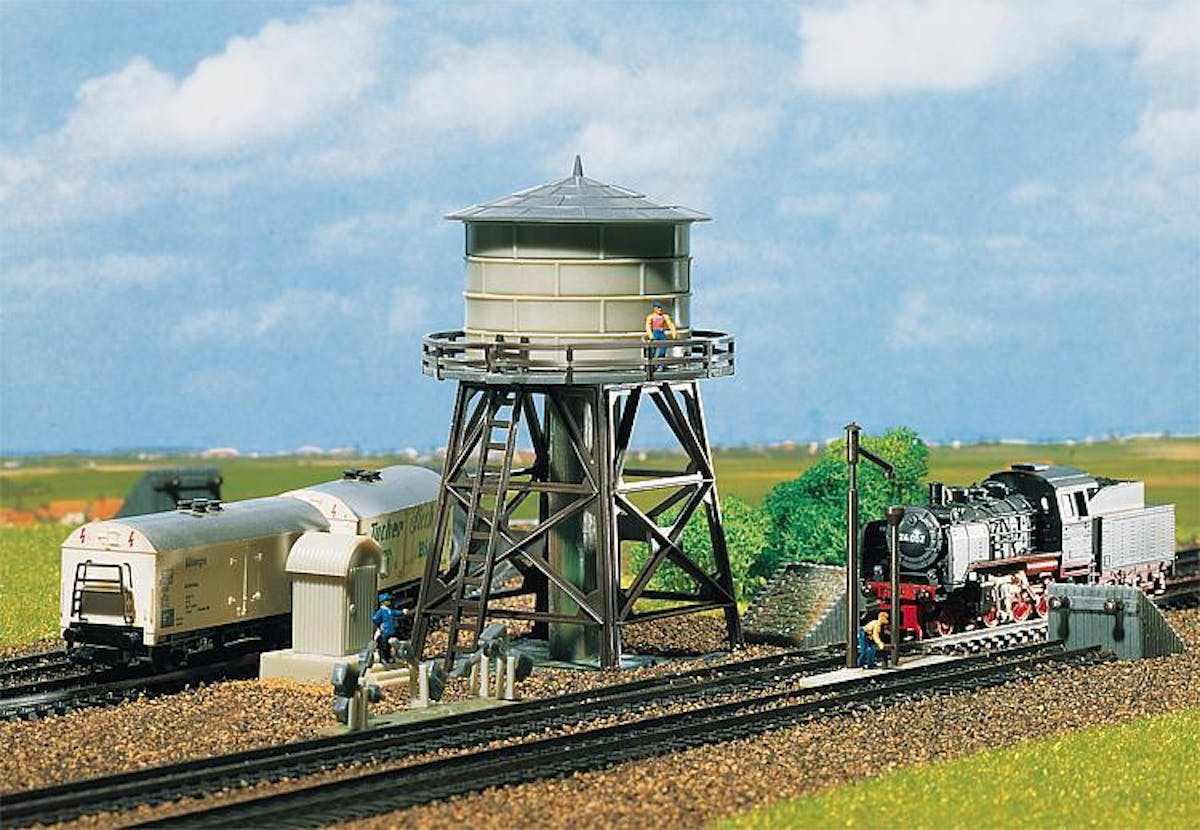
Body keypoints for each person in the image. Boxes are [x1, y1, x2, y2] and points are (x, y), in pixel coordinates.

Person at [371, 592, 410, 664]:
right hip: (385, 631)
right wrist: (380, 625)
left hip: (392, 630)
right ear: (382, 602)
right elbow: (375, 618)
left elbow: (395, 613)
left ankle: (393, 657)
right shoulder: (381, 611)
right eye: (387, 600)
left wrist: (402, 612)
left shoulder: (390, 610)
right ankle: (384, 658)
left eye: (389, 600)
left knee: (395, 643)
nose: (389, 601)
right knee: (384, 645)